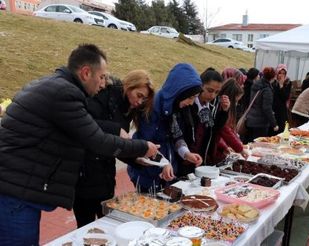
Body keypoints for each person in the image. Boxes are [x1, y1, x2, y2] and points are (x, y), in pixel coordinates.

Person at [0, 44, 159, 245]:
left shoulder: (57, 86)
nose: (103, 84)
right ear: (85, 73)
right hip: (14, 193)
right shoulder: (65, 94)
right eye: (101, 77)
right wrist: (143, 146)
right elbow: (97, 140)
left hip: (17, 187)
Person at [73, 70, 155, 228]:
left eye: (143, 99)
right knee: (85, 227)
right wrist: (116, 129)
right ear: (129, 86)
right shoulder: (105, 94)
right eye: (139, 95)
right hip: (84, 172)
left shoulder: (128, 107)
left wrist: (134, 159)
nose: (140, 102)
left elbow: (115, 147)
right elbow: (85, 123)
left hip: (105, 176)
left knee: (109, 225)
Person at [127, 63, 203, 191]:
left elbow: (177, 135)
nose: (191, 103)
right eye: (190, 98)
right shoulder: (153, 108)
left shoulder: (175, 107)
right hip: (147, 175)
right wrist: (163, 164)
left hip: (166, 173)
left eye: (194, 98)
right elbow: (146, 145)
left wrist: (186, 153)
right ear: (179, 92)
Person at [179, 69, 230, 174]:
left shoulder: (212, 106)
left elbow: (214, 130)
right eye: (210, 90)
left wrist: (224, 111)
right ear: (200, 86)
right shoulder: (187, 105)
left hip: (201, 159)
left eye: (217, 92)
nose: (212, 96)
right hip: (183, 159)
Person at [213, 79, 249, 164]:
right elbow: (224, 130)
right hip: (214, 152)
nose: (236, 104)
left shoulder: (226, 109)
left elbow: (229, 129)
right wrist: (239, 148)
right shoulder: (221, 109)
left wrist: (226, 146)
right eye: (236, 101)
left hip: (218, 150)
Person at [244, 67, 279, 143]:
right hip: (260, 123)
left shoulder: (255, 84)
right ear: (273, 77)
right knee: (259, 146)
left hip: (250, 120)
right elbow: (267, 108)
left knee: (250, 144)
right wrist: (274, 124)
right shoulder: (267, 90)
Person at [272, 64, 292, 133]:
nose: (281, 75)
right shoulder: (273, 82)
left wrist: (281, 85)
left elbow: (285, 97)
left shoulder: (288, 82)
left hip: (282, 110)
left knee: (281, 129)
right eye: (280, 73)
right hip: (273, 109)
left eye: (284, 73)